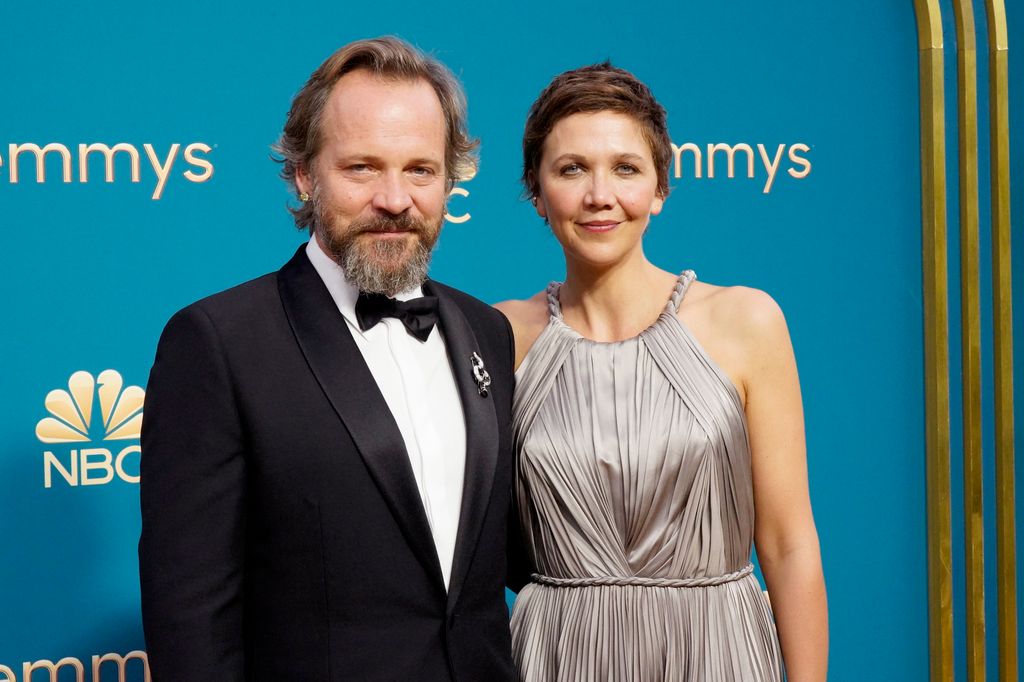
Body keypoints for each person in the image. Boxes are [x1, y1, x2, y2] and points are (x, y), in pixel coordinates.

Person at [138, 37, 517, 681]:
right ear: (306, 174)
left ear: (450, 178)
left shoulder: (487, 330)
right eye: (362, 168)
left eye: (420, 169)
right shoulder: (217, 343)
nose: (395, 198)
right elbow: (190, 617)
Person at [496, 63, 828, 681]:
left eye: (626, 168)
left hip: (716, 652)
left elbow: (787, 541)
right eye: (572, 169)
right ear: (537, 193)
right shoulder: (499, 337)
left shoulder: (746, 321)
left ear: (659, 189)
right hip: (558, 657)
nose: (600, 195)